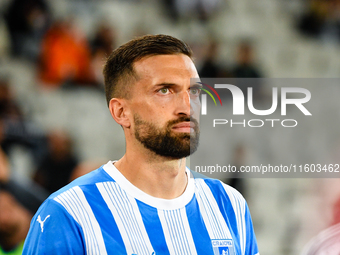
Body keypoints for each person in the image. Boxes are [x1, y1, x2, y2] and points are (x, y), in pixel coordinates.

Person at [23, 34, 259, 255]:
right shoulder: (69, 213)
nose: (187, 107)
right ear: (121, 111)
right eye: (165, 90)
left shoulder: (230, 204)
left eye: (194, 91)